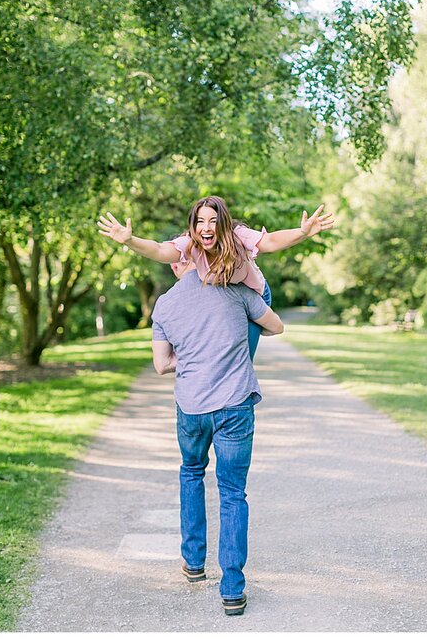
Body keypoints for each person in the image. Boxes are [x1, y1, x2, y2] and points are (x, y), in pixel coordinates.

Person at [151, 260, 284, 617]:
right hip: (234, 406)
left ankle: (193, 562)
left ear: (177, 264)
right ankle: (232, 590)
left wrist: (194, 356)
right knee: (232, 492)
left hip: (192, 408)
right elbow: (277, 326)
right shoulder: (238, 292)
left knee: (192, 471)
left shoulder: (165, 303)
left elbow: (161, 365)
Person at [98, 195, 333, 357]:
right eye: (200, 222)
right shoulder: (191, 244)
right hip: (222, 295)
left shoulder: (238, 235)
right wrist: (129, 240)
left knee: (239, 359)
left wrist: (302, 233)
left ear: (223, 223)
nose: (206, 227)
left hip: (254, 295)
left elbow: (269, 241)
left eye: (213, 221)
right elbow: (160, 250)